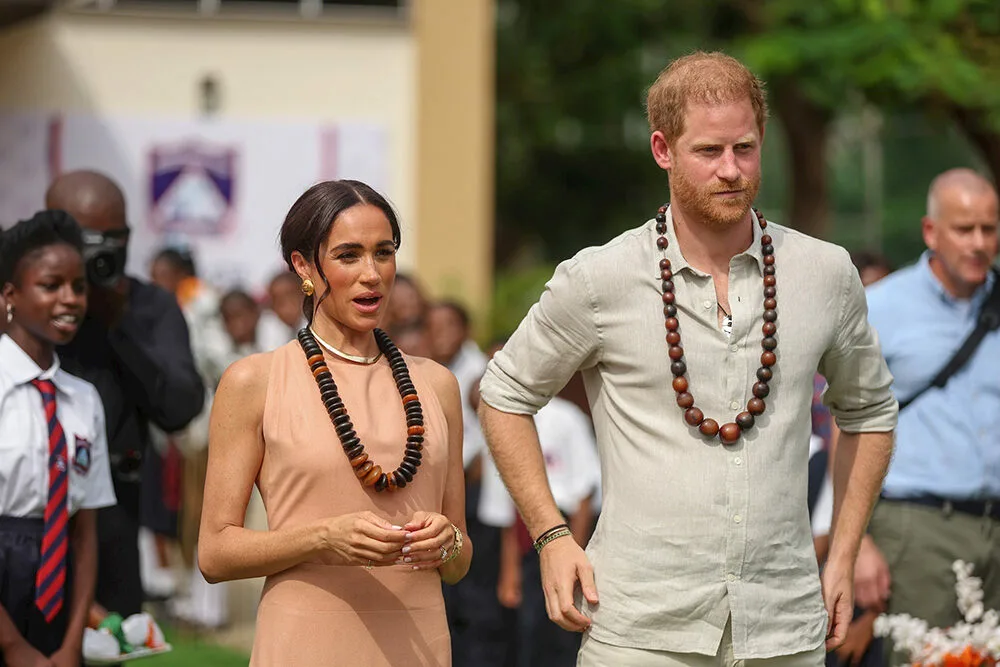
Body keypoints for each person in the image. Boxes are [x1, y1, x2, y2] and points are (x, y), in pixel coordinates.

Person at [477, 51, 898, 666]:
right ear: (662, 149)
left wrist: (844, 552)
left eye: (745, 149)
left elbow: (870, 411)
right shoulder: (600, 279)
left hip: (783, 628)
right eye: (709, 152)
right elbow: (503, 395)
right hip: (639, 628)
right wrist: (551, 534)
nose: (731, 170)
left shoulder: (825, 272)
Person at [198, 179, 473, 666]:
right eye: (349, 256)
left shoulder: (438, 384)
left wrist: (448, 543)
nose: (372, 274)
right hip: (304, 642)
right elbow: (214, 553)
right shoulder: (253, 381)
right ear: (304, 267)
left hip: (421, 643)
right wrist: (322, 538)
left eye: (383, 253)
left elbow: (459, 563)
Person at [44, 170, 205, 622]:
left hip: (114, 517)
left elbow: (180, 408)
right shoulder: (22, 301)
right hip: (25, 514)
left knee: (110, 643)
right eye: (81, 239)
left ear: (128, 237)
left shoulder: (148, 307)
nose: (98, 254)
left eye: (110, 240)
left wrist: (118, 327)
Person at [858, 168, 999, 664]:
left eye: (990, 228)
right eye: (964, 229)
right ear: (930, 232)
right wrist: (858, 544)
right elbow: (844, 428)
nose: (979, 243)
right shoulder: (881, 307)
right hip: (916, 528)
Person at [0, 211, 116, 664]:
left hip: (55, 578)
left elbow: (84, 530)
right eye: (51, 286)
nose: (70, 299)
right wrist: (11, 646)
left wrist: (70, 645)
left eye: (79, 286)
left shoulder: (83, 398)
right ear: (11, 295)